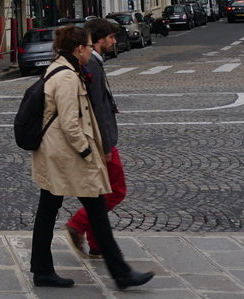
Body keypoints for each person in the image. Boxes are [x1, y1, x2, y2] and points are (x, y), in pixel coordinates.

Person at [28, 25, 153, 291]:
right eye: (88, 46)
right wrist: (86, 151)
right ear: (81, 48)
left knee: (51, 211)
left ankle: (43, 270)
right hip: (67, 155)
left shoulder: (64, 68)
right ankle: (120, 274)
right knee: (92, 211)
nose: (90, 51)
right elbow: (70, 122)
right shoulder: (67, 77)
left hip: (59, 154)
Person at [65, 19, 128, 264]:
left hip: (99, 136)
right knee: (116, 189)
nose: (114, 41)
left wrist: (111, 106)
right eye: (111, 37)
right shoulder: (92, 63)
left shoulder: (94, 62)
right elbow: (94, 106)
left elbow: (99, 101)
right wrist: (104, 146)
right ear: (100, 40)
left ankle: (96, 244)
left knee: (101, 190)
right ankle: (77, 224)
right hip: (101, 140)